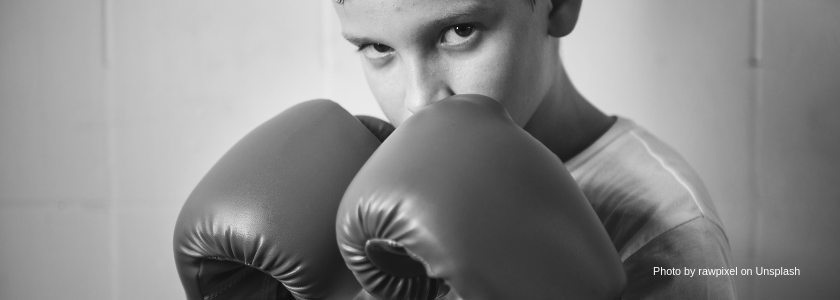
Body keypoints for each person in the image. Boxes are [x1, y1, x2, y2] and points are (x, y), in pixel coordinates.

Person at [331, 0, 737, 298]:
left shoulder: (667, 230)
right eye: (379, 48)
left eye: (460, 31)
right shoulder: (370, 197)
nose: (418, 100)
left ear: (558, 5)